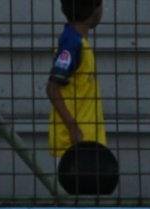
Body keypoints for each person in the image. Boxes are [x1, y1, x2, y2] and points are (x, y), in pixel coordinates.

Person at [47, 0, 106, 158]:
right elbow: (53, 89)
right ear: (95, 10)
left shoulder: (79, 43)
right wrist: (73, 128)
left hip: (87, 143)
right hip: (74, 146)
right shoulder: (71, 44)